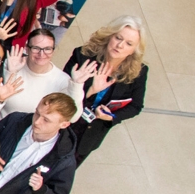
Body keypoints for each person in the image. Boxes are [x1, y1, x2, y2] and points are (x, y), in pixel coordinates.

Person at [63, 15, 148, 166]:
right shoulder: (82, 56)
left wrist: (111, 117)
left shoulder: (138, 72)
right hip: (63, 124)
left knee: (60, 179)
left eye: (128, 43)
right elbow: (62, 93)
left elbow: (135, 107)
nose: (120, 45)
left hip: (89, 136)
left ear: (133, 51)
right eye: (118, 38)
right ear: (110, 36)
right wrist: (90, 91)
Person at [0, 29, 83, 126]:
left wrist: (77, 86)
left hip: (24, 137)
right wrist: (11, 73)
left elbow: (72, 118)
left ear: (53, 51)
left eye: (47, 49)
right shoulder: (12, 62)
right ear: (27, 48)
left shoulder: (62, 80)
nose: (41, 54)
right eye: (36, 48)